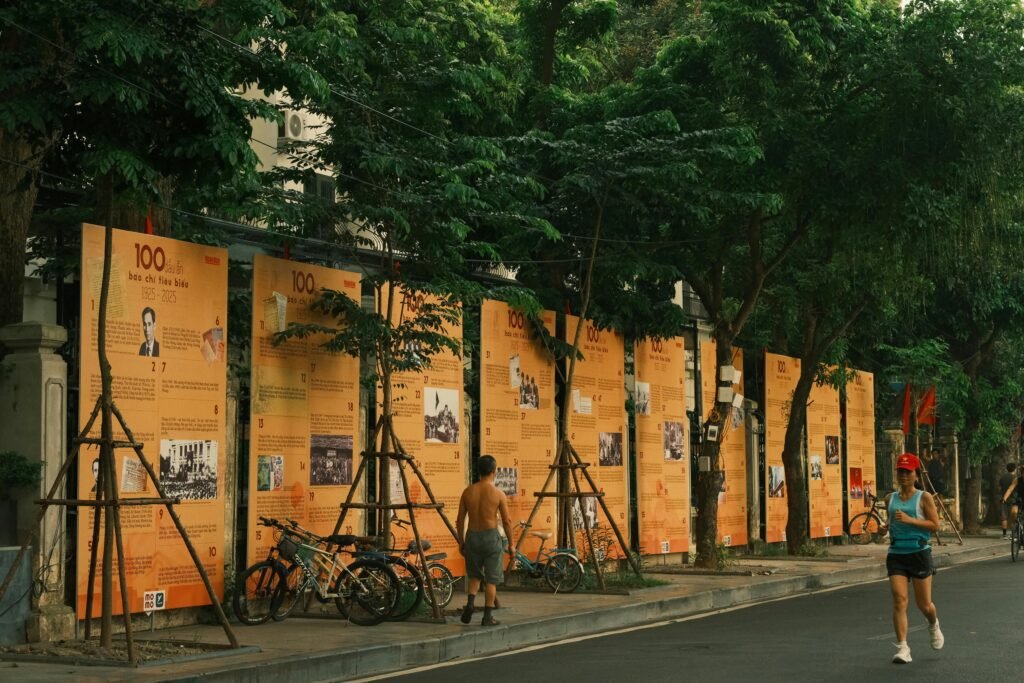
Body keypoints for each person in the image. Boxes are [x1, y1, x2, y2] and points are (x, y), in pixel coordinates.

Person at [886, 452, 943, 664]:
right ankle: (903, 648)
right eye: (900, 471)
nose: (903, 475)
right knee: (900, 600)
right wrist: (884, 528)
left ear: (916, 474)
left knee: (924, 604)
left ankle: (933, 624)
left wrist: (910, 520)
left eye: (907, 472)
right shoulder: (889, 499)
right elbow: (891, 524)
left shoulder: (924, 497)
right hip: (896, 554)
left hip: (919, 553)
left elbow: (935, 525)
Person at [456, 454, 514, 626]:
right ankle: (487, 616)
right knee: (491, 579)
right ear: (494, 471)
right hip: (490, 537)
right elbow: (507, 521)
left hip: (472, 535)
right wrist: (512, 544)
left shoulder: (467, 492)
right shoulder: (498, 494)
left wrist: (461, 541)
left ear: (479, 471)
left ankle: (471, 604)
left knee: (474, 575)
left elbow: (459, 520)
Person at [1001, 463, 1021, 537]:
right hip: (1015, 499)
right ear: (1015, 469)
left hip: (1006, 499)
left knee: (1004, 516)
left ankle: (1004, 534)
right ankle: (1015, 532)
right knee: (1015, 515)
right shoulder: (1016, 479)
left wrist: (1004, 497)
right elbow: (1012, 489)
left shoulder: (1003, 478)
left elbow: (1000, 488)